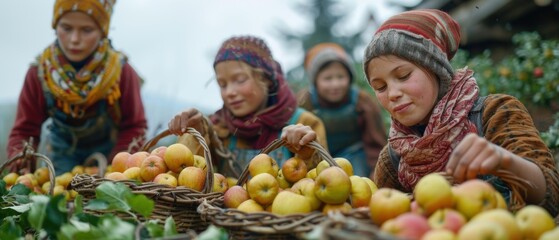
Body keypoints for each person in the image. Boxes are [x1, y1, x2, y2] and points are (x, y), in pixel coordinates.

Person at [282, 9, 559, 216]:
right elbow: (366, 213)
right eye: (379, 86)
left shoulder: (495, 114)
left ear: (436, 69)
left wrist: (504, 162)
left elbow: (552, 195)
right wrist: (310, 159)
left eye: (403, 75)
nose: (392, 93)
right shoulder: (394, 157)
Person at [7, 0, 147, 175]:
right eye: (66, 28)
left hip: (110, 168)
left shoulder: (121, 72)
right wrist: (21, 160)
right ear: (55, 26)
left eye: (87, 30)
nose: (74, 39)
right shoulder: (39, 72)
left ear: (103, 31)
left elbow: (135, 127)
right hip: (59, 166)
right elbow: (24, 130)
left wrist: (115, 169)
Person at [168, 35, 327, 178]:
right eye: (222, 84)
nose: (230, 92)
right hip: (221, 211)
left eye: (240, 80)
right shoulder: (219, 127)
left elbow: (323, 179)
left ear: (265, 79)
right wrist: (195, 132)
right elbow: (185, 177)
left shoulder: (304, 123)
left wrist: (307, 152)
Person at [297, 43, 387, 178]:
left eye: (340, 77)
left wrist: (376, 172)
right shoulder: (306, 102)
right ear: (316, 81)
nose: (335, 84)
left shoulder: (362, 101)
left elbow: (376, 143)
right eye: (328, 78)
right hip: (320, 158)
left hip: (356, 156)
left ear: (349, 78)